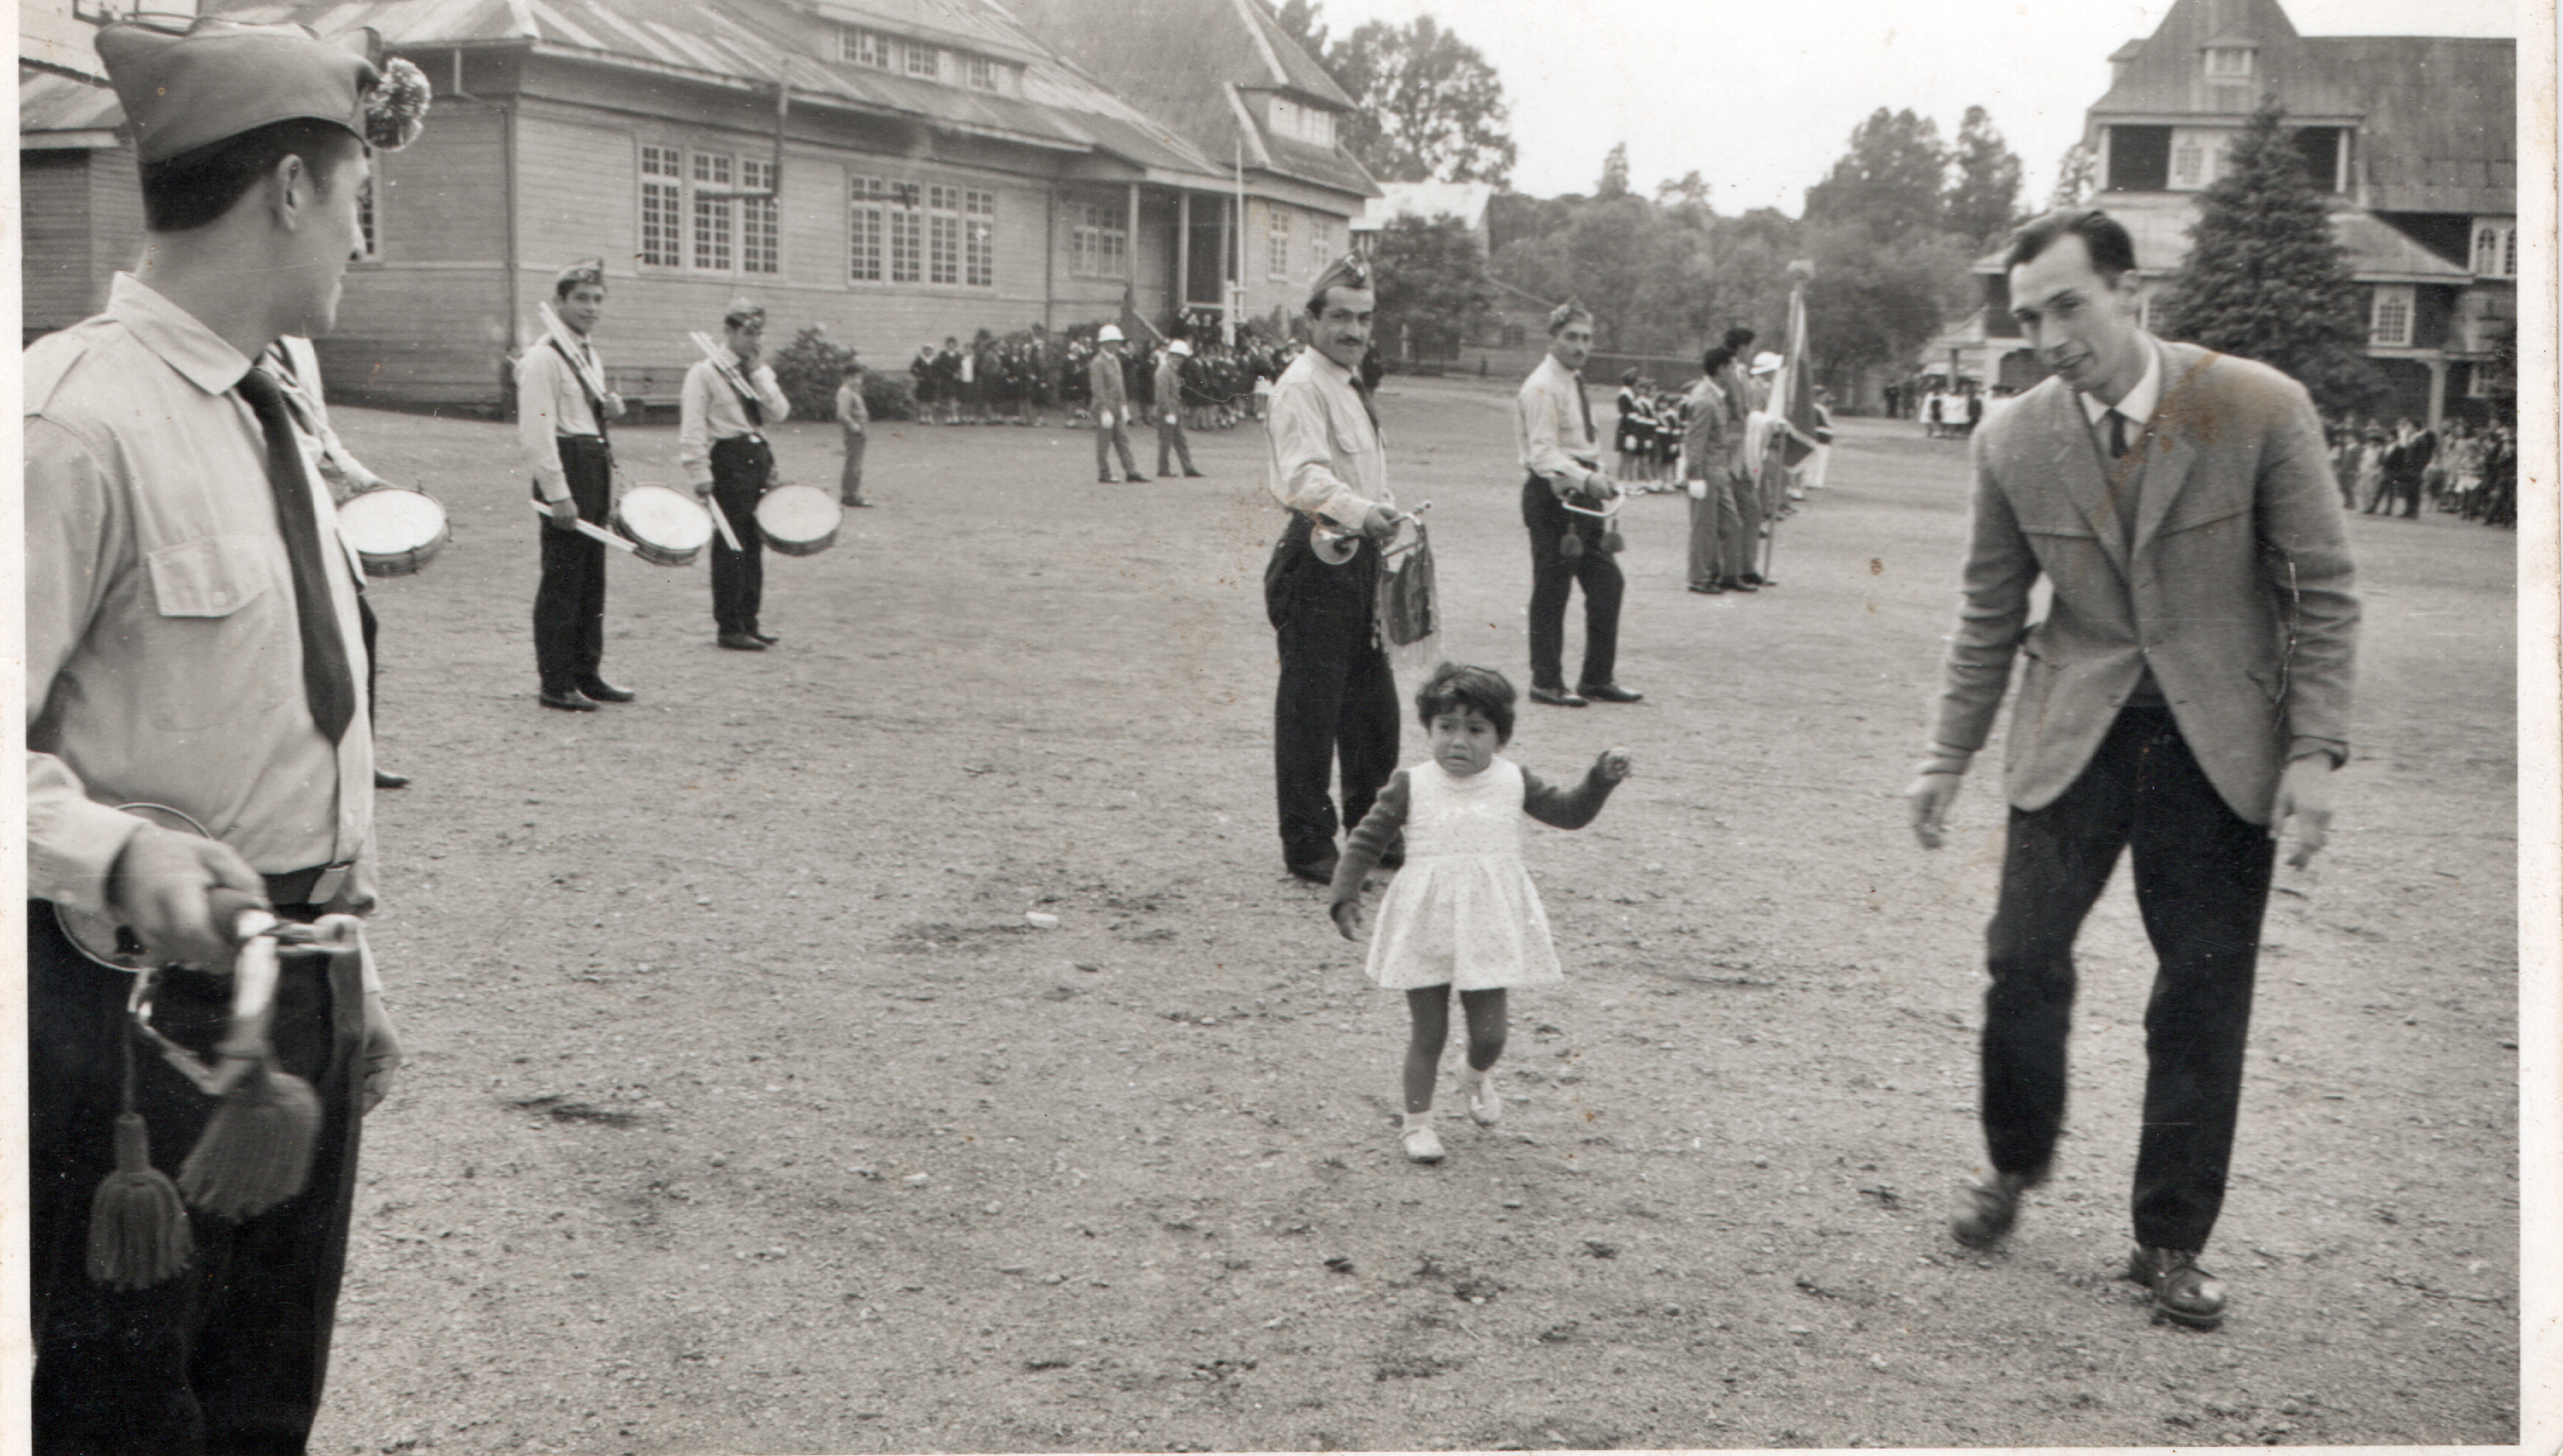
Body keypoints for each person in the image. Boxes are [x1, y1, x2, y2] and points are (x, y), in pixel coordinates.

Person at [24, 17, 422, 1448]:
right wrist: (120, 852)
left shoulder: (276, 410)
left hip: (293, 1000)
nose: (360, 248)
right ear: (295, 189)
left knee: (267, 1406)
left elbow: (293, 715)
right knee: (131, 1416)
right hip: (127, 1031)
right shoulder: (68, 425)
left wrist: (344, 967)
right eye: (360, 203)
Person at [1903, 210, 2358, 1332]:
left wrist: (2313, 753)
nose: (2052, 334)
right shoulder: (2011, 439)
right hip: (2076, 733)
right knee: (2021, 958)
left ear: (2129, 291)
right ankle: (2013, 1167)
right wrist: (1945, 756)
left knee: (2201, 996)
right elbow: (1988, 614)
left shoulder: (2256, 406)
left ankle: (2170, 1241)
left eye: (2070, 305)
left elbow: (2325, 592)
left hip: (2218, 746)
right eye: (2029, 317)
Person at [1326, 664, 1632, 1162]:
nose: (1458, 742)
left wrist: (1599, 780)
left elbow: (1570, 813)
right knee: (1429, 1032)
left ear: (1500, 737)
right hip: (1425, 922)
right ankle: (1417, 1124)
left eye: (1475, 730)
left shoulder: (1513, 780)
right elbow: (1367, 838)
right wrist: (1345, 894)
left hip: (1487, 922)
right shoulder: (1413, 783)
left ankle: (1474, 1075)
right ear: (1429, 730)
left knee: (1490, 1034)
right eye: (1446, 728)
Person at [1265, 255, 1404, 884]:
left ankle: (1371, 834)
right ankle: (1308, 844)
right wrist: (1361, 510)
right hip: (1318, 555)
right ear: (1311, 320)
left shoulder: (1348, 382)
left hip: (1360, 555)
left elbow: (1361, 473)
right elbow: (1302, 476)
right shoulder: (1302, 384)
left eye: (1364, 318)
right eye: (1341, 317)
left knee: (1372, 707)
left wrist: (1382, 512)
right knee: (1311, 712)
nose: (1354, 330)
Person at [267, 334, 411, 788]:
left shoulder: (298, 347)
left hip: (314, 507)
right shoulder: (238, 344)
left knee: (358, 628)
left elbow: (319, 429)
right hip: (272, 507)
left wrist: (365, 481)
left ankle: (356, 758)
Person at [1515, 301, 1639, 709]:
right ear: (1552, 338)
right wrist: (1587, 478)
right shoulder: (1542, 386)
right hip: (1555, 497)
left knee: (1608, 584)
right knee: (1553, 591)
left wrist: (1597, 474)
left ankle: (1596, 678)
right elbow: (1543, 454)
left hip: (1584, 497)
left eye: (1586, 338)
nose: (1580, 345)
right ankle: (1545, 681)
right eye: (1571, 336)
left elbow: (1581, 443)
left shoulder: (1572, 381)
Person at [520, 256, 631, 711]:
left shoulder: (587, 353)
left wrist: (609, 408)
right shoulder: (544, 357)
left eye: (598, 299)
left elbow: (584, 417)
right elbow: (537, 433)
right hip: (567, 468)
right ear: (559, 302)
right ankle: (556, 682)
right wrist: (558, 493)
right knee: (563, 579)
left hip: (592, 465)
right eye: (581, 298)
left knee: (591, 580)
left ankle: (588, 672)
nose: (591, 307)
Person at [680, 300, 793, 651]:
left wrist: (759, 372)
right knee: (732, 543)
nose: (754, 340)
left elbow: (779, 413)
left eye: (759, 333)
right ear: (728, 332)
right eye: (747, 332)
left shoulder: (756, 371)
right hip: (727, 459)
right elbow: (693, 427)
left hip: (756, 455)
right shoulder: (706, 372)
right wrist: (699, 471)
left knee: (754, 542)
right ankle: (729, 625)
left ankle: (750, 621)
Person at [1682, 344, 1752, 594]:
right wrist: (1695, 476)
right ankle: (1699, 578)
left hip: (1719, 472)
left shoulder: (1716, 397)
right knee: (1704, 528)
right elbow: (1695, 442)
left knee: (1732, 523)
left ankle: (1728, 575)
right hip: (1706, 472)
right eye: (1731, 367)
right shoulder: (1704, 399)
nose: (1734, 372)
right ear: (1721, 369)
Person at [1090, 324, 1145, 483]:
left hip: (1117, 407)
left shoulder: (1115, 360)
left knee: (1123, 439)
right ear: (1104, 343)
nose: (1116, 344)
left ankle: (1131, 471)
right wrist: (1104, 409)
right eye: (1112, 341)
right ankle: (1104, 473)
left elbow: (1120, 386)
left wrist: (1124, 405)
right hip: (1103, 407)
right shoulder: (1098, 362)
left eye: (1117, 341)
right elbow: (1097, 388)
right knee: (1104, 442)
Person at [1155, 336, 1205, 478]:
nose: (1178, 359)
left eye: (1181, 357)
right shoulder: (1163, 371)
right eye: (1176, 356)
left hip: (1175, 410)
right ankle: (1163, 469)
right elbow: (1162, 395)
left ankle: (1188, 468)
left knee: (1181, 440)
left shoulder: (1174, 371)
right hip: (1167, 411)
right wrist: (1168, 411)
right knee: (1166, 441)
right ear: (1169, 355)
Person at [836, 358, 871, 507]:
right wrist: (853, 425)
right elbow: (842, 414)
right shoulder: (846, 392)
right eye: (853, 378)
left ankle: (850, 493)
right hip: (854, 434)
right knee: (854, 464)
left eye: (859, 378)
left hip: (859, 433)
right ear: (845, 378)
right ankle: (850, 494)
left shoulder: (853, 392)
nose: (857, 381)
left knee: (856, 463)